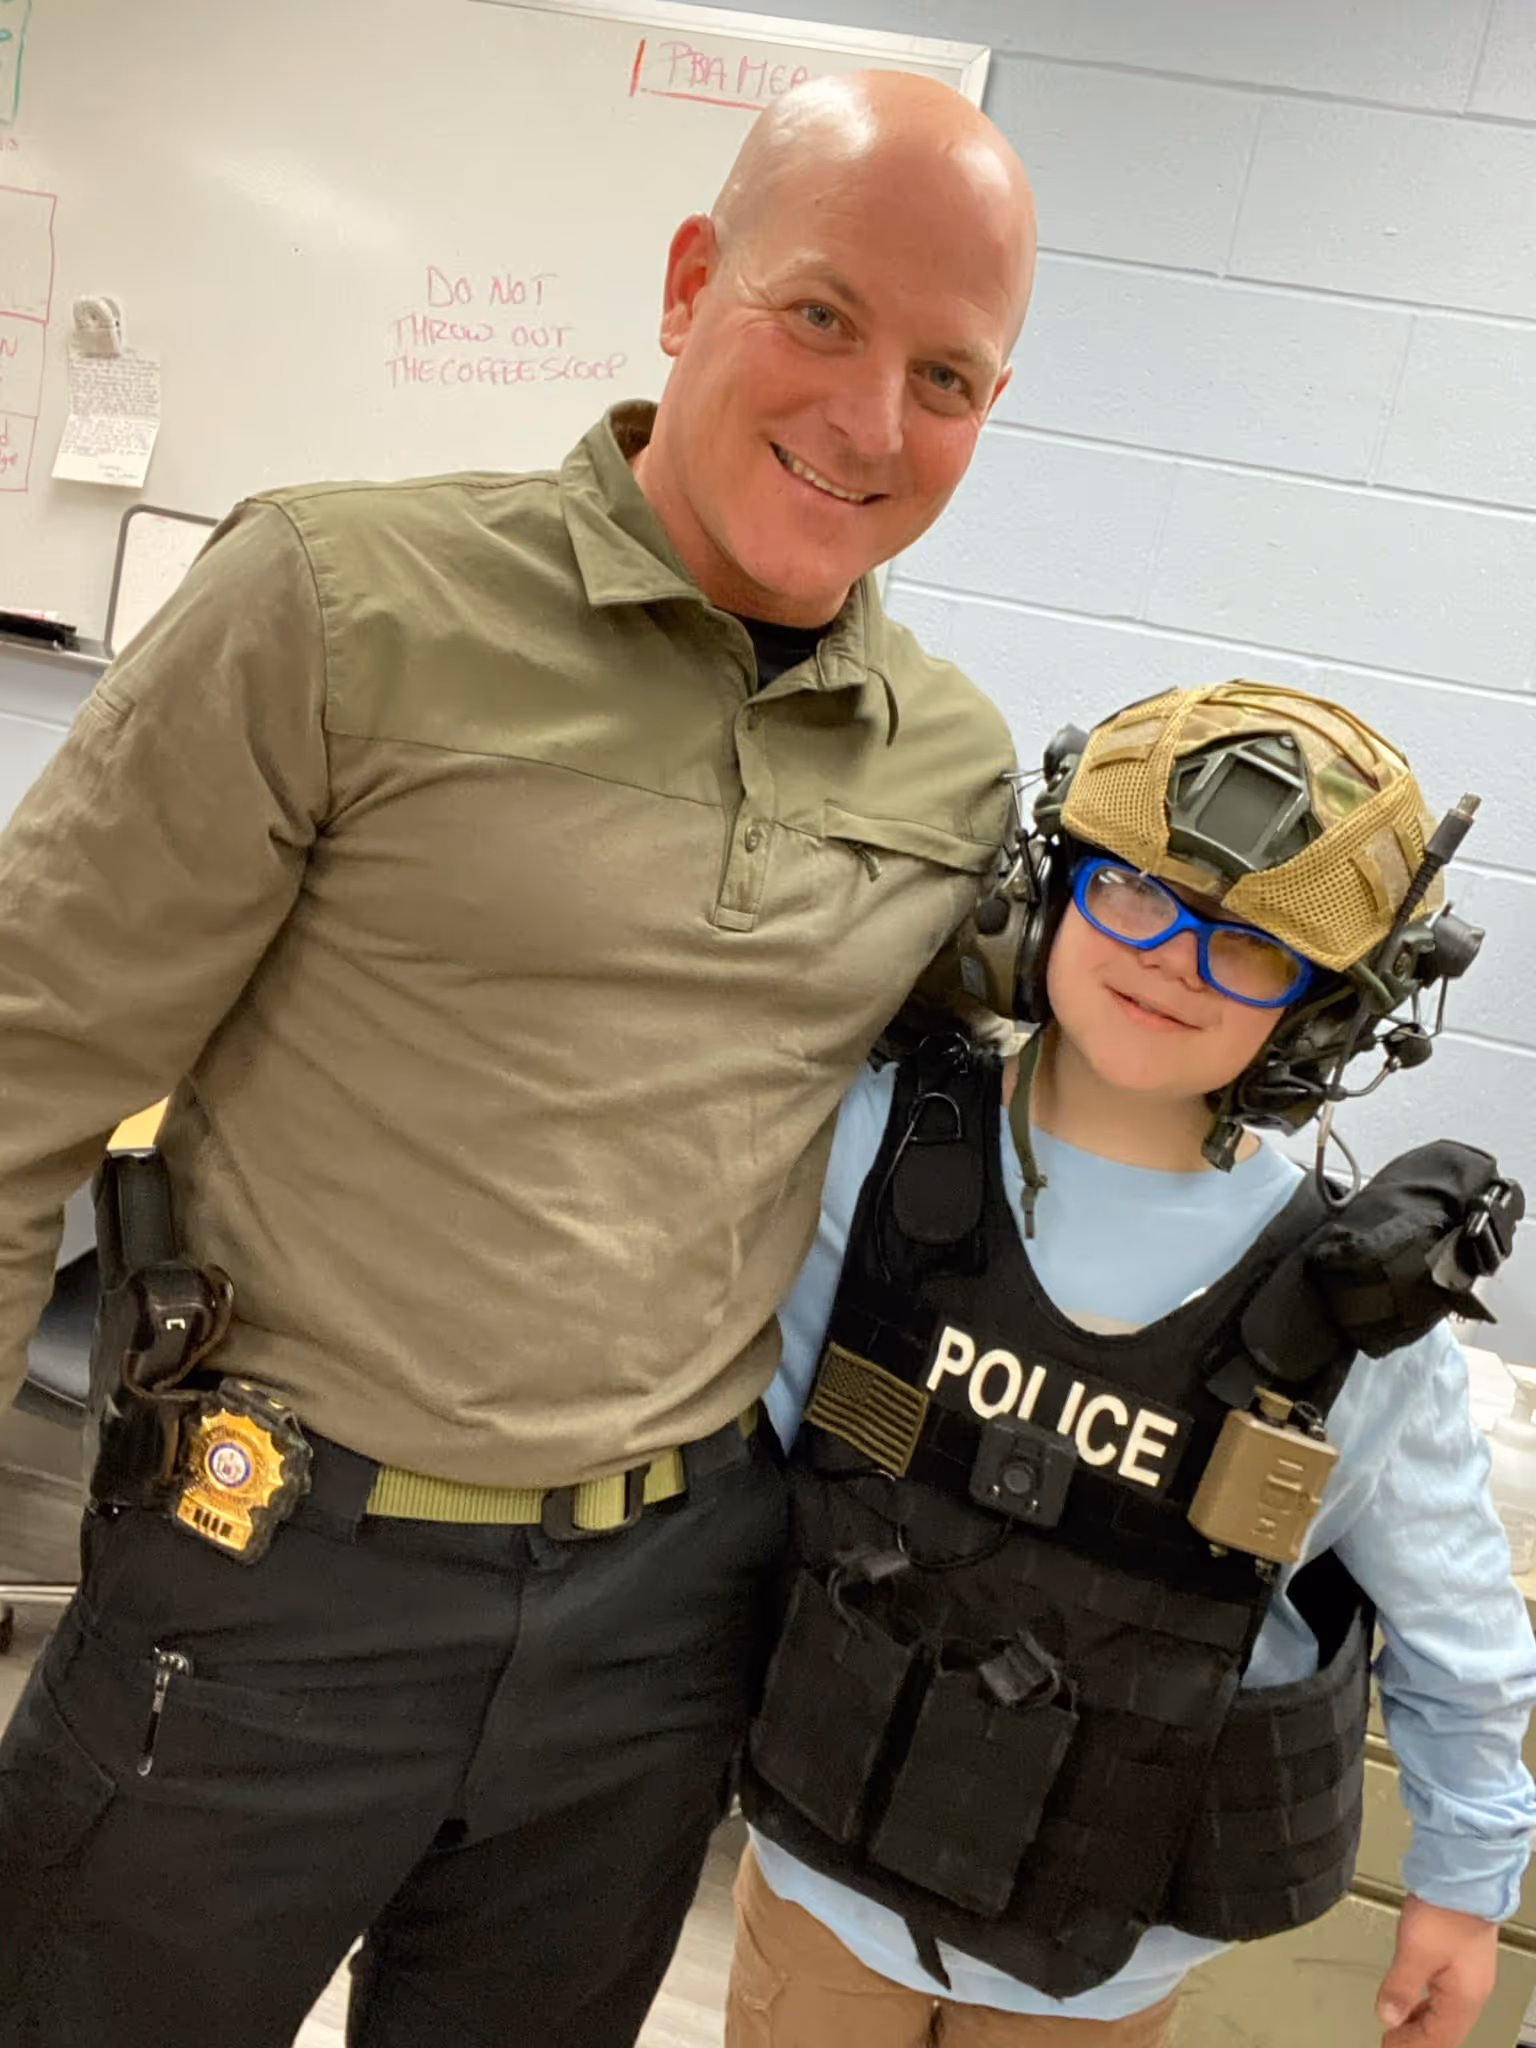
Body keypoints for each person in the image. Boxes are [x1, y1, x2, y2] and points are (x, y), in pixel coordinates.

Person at [0, 71, 1036, 2048]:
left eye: (952, 375)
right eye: (819, 315)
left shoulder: (952, 762)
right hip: (266, 1580)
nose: (869, 419)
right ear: (688, 282)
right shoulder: (335, 602)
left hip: (657, 1635)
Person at [731, 679, 1536, 2048]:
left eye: (1250, 946)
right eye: (1133, 892)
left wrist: (1466, 1884)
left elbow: (1462, 1639)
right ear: (1048, 889)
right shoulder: (867, 1142)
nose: (1172, 957)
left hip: (1092, 1962)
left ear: (1330, 1009)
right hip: (822, 1894)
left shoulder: (1349, 1314)